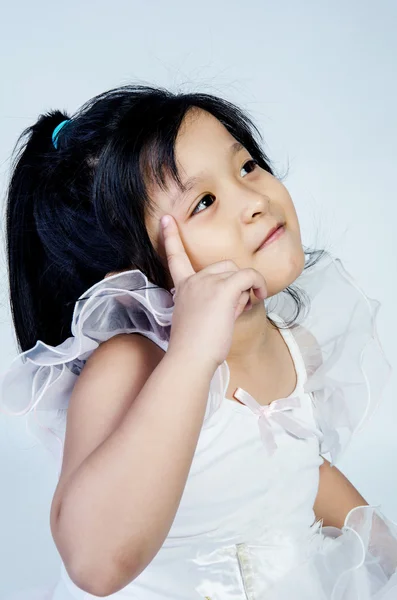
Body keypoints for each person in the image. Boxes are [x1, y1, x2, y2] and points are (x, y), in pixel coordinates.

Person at [1, 84, 396, 600]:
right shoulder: (132, 366)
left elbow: (301, 472)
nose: (254, 200)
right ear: (133, 266)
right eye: (204, 201)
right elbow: (94, 563)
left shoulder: (293, 343)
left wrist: (384, 552)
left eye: (247, 166)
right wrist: (190, 353)